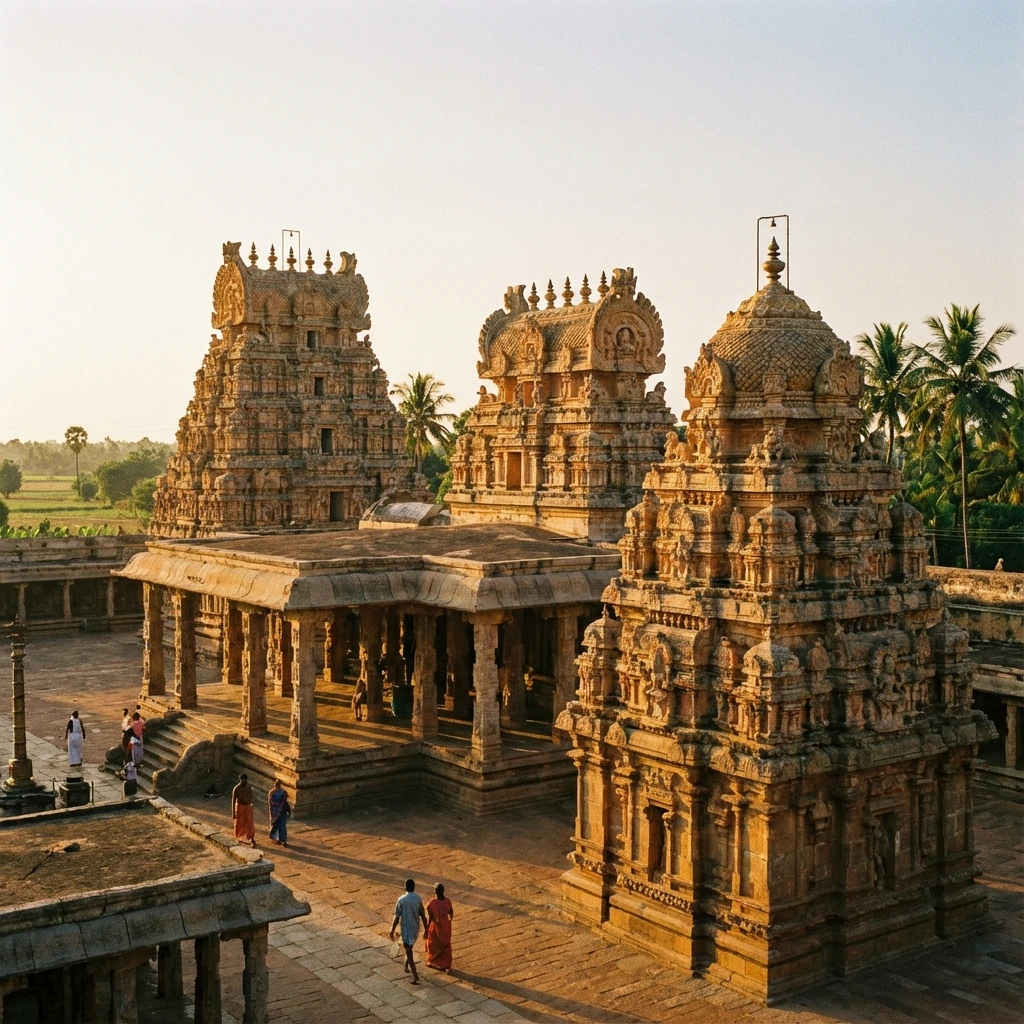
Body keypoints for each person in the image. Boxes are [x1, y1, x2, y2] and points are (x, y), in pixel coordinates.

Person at [390, 879, 429, 984]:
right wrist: (426, 929)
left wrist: (392, 930)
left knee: (409, 950)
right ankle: (406, 965)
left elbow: (397, 917)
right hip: (415, 928)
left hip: (406, 929)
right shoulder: (418, 898)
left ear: (405, 887)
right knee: (409, 948)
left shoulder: (401, 900)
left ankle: (415, 975)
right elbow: (423, 915)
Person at [424, 882, 454, 972]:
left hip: (436, 925)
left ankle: (434, 961)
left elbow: (430, 917)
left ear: (435, 891)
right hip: (446, 925)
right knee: (446, 945)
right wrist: (448, 921)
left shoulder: (432, 903)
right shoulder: (448, 901)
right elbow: (451, 913)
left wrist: (427, 929)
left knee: (433, 944)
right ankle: (446, 964)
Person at [232, 773, 257, 848]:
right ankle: (240, 837)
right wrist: (233, 813)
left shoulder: (248, 787)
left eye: (244, 780)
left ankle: (252, 838)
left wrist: (250, 806)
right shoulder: (237, 788)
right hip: (240, 807)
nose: (243, 782)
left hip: (248, 807)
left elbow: (250, 796)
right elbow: (233, 801)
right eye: (242, 780)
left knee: (250, 823)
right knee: (239, 823)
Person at [268, 779, 291, 847]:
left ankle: (283, 840)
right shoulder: (271, 793)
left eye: (278, 784)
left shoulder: (283, 792)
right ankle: (275, 839)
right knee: (275, 826)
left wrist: (288, 810)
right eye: (276, 784)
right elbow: (271, 804)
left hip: (282, 812)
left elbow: (284, 802)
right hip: (274, 812)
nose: (276, 785)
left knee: (282, 827)